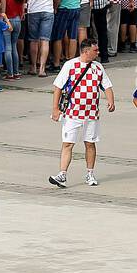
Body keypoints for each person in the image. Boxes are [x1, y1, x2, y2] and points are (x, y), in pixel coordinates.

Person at [48, 39, 114, 188]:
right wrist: (55, 109)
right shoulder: (71, 65)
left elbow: (107, 85)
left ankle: (90, 173)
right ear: (86, 51)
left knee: (90, 144)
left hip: (91, 114)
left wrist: (111, 101)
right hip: (72, 113)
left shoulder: (98, 67)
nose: (98, 52)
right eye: (95, 50)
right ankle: (62, 174)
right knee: (67, 144)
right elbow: (58, 87)